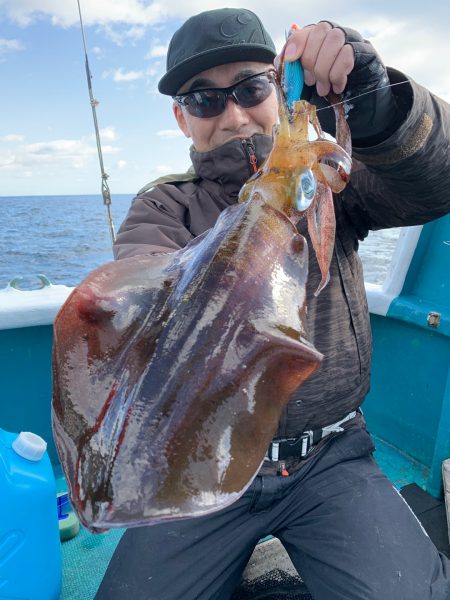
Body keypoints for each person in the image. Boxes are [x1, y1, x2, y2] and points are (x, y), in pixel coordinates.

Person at [95, 8, 450, 600]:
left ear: (280, 91)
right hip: (200, 463)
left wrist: (385, 108)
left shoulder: (331, 175)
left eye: (251, 87)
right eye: (205, 100)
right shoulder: (163, 210)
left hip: (330, 455)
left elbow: (436, 182)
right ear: (181, 117)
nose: (232, 115)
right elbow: (140, 295)